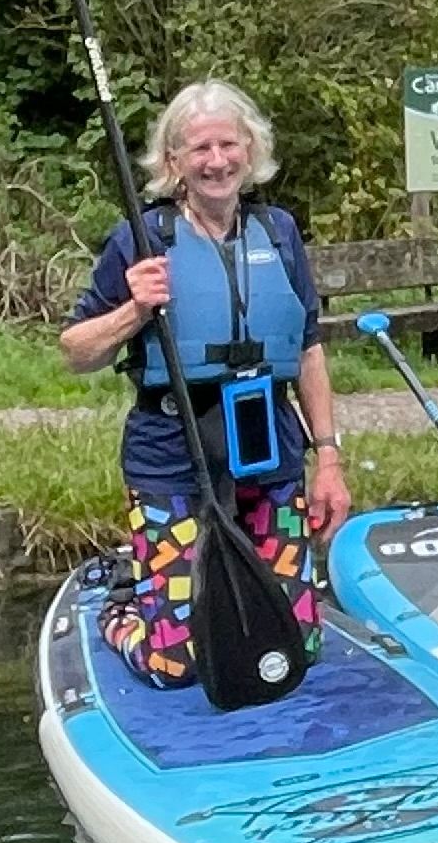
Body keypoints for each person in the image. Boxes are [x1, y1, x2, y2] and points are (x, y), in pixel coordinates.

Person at [60, 80, 349, 685]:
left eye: (228, 145)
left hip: (268, 450)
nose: (216, 162)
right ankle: (121, 605)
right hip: (173, 451)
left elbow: (309, 348)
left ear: (250, 149)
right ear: (174, 163)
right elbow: (76, 351)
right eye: (199, 149)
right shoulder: (143, 239)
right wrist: (133, 310)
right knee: (176, 663)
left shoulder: (279, 231)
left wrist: (329, 461)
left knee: (294, 648)